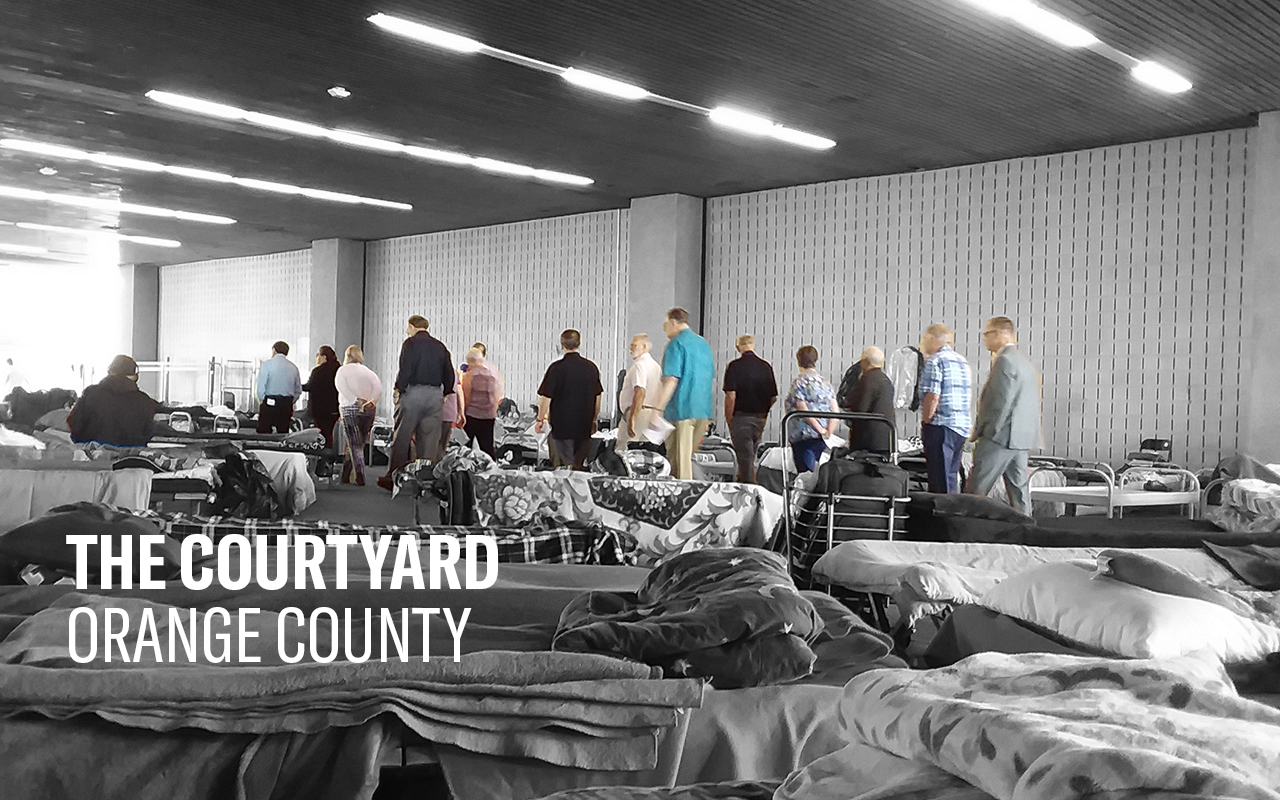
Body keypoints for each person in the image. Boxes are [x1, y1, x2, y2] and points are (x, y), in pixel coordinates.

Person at [967, 317, 1041, 514]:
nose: (984, 339)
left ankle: (964, 531)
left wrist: (982, 431)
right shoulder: (1023, 362)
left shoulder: (1004, 361)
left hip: (1000, 436)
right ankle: (1026, 532)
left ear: (997, 334)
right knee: (1019, 495)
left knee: (975, 490)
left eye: (986, 334)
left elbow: (999, 403)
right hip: (1020, 438)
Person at [380, 315, 456, 491]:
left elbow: (405, 368)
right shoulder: (440, 346)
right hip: (435, 395)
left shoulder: (410, 344)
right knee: (429, 441)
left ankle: (394, 478)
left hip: (413, 393)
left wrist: (398, 389)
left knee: (402, 437)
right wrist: (446, 392)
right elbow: (449, 373)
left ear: (412, 326)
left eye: (407, 327)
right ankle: (425, 481)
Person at [649, 308, 715, 480]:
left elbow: (671, 379)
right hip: (702, 410)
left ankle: (684, 503)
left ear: (673, 322)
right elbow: (710, 379)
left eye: (665, 324)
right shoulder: (703, 344)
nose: (664, 329)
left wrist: (657, 409)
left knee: (680, 467)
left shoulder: (676, 344)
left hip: (682, 410)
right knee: (690, 462)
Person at [535, 329, 603, 469]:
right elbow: (598, 397)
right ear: (579, 343)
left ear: (562, 345)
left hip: (561, 429)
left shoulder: (556, 369)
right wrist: (594, 420)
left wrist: (540, 419)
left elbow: (545, 398)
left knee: (562, 470)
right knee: (578, 469)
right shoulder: (591, 368)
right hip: (583, 428)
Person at [918, 324, 973, 493]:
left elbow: (933, 396)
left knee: (938, 480)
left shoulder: (935, 361)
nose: (922, 345)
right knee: (951, 476)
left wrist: (926, 420)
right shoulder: (963, 362)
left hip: (941, 425)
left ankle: (941, 515)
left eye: (924, 340)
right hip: (961, 427)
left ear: (933, 340)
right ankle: (951, 513)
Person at [67, 354, 159, 447]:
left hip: (93, 456)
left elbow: (74, 423)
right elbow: (148, 432)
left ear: (110, 371)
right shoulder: (144, 401)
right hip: (129, 457)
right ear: (133, 376)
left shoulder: (90, 393)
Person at [722, 334, 777, 482]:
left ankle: (749, 492)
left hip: (741, 417)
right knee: (750, 456)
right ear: (753, 346)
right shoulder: (766, 366)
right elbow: (773, 397)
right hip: (760, 418)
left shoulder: (734, 366)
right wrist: (763, 411)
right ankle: (747, 485)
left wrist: (729, 418)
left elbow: (731, 396)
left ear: (738, 347)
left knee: (745, 459)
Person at [784, 346, 839, 473]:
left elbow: (801, 409)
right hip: (823, 438)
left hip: (803, 435)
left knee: (806, 473)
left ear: (798, 361)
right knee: (817, 472)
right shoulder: (825, 383)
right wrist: (828, 431)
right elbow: (835, 410)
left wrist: (818, 428)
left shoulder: (799, 383)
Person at [334, 345, 382, 486]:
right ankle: (346, 473)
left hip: (349, 407)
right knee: (359, 442)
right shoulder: (368, 371)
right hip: (368, 409)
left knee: (354, 443)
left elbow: (341, 386)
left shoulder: (342, 371)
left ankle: (360, 475)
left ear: (347, 355)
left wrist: (355, 400)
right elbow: (378, 387)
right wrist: (371, 401)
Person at [616, 334, 663, 454]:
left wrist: (632, 417)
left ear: (645, 347)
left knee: (626, 453)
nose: (631, 348)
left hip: (639, 414)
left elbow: (640, 391)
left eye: (635, 345)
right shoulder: (655, 366)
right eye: (631, 345)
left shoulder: (640, 365)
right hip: (652, 413)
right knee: (647, 454)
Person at [845, 346, 895, 454]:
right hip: (886, 437)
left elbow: (860, 408)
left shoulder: (867, 380)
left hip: (868, 440)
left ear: (865, 362)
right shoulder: (886, 380)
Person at [462, 347, 503, 457]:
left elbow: (467, 396)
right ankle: (491, 469)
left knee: (466, 445)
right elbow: (497, 395)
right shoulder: (492, 373)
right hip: (488, 416)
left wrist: (462, 412)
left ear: (472, 360)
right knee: (487, 446)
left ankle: (466, 469)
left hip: (472, 414)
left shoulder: (471, 375)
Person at [255, 341, 302, 434]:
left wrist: (262, 402)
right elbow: (298, 390)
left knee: (264, 432)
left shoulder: (267, 365)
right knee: (283, 433)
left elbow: (260, 388)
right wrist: (290, 401)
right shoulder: (293, 367)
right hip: (286, 403)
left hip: (270, 402)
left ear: (274, 350)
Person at [302, 345, 341, 447]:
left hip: (319, 410)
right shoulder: (339, 369)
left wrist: (296, 386)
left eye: (318, 355)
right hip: (334, 408)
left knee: (321, 434)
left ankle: (323, 456)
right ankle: (331, 455)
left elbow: (309, 386)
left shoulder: (318, 371)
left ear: (324, 357)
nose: (317, 358)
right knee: (331, 433)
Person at [439, 365, 466, 459]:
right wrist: (461, 412)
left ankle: (428, 469)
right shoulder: (454, 373)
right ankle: (437, 468)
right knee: (442, 447)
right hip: (449, 415)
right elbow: (459, 391)